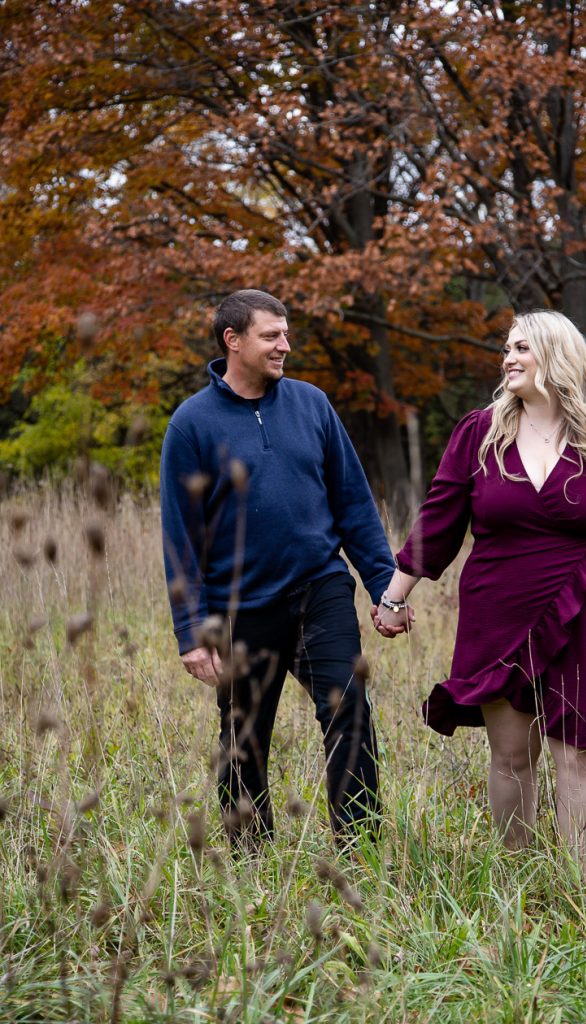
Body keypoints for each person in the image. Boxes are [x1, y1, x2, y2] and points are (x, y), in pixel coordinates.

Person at [373, 310, 586, 876]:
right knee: (511, 756)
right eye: (505, 348)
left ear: (556, 355)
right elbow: (438, 521)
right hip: (497, 606)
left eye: (521, 348)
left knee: (577, 755)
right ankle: (520, 881)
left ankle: (575, 888)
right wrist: (394, 597)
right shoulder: (480, 431)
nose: (508, 358)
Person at [160, 289, 399, 845]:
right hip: (239, 605)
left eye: (286, 334)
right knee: (244, 735)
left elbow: (354, 504)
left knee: (349, 711)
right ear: (233, 340)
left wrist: (385, 584)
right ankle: (248, 857)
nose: (284, 345)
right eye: (272, 335)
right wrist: (192, 631)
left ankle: (360, 847)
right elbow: (180, 538)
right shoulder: (191, 424)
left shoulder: (312, 404)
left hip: (320, 586)